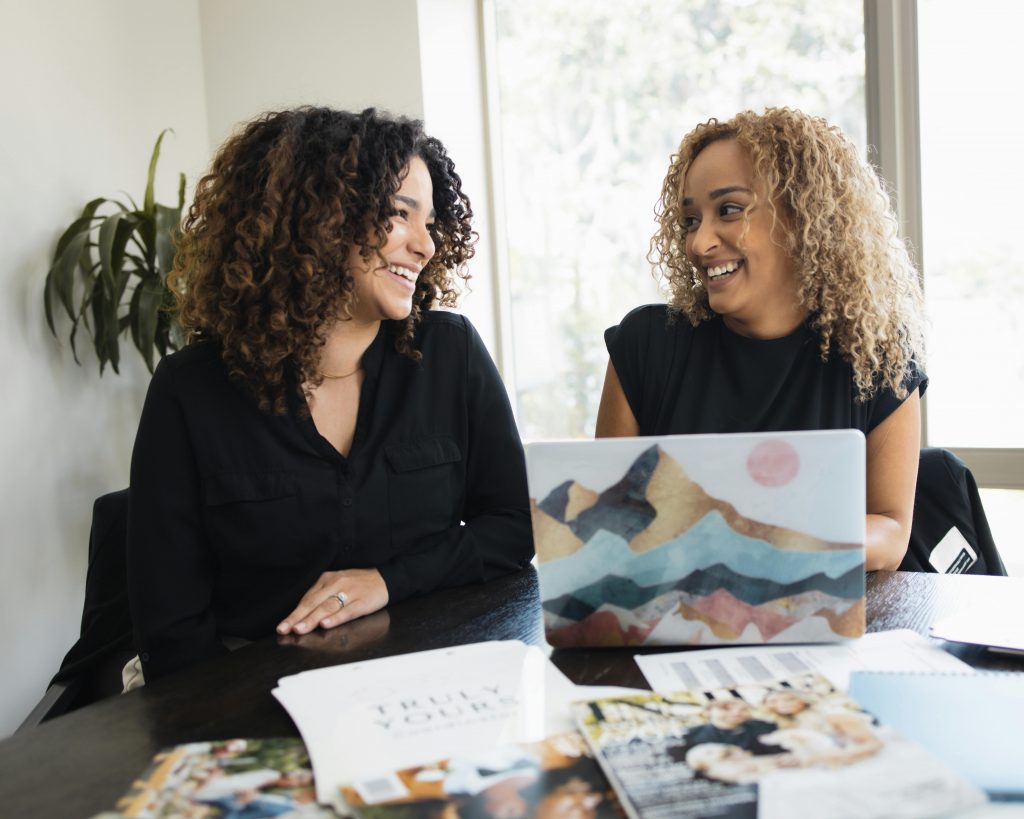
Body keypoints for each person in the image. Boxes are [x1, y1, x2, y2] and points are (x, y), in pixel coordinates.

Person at [127, 107, 532, 683]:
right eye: (400, 214)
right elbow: (171, 629)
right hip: (256, 702)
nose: (425, 245)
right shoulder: (190, 393)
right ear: (318, 219)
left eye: (432, 222)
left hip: (434, 683)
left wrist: (389, 581)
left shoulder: (451, 354)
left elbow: (515, 526)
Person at [596, 107, 927, 571]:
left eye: (728, 210)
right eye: (691, 219)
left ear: (802, 217)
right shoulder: (645, 347)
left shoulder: (877, 356)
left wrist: (769, 539)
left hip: (825, 623)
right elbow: (605, 527)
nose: (698, 243)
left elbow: (890, 531)